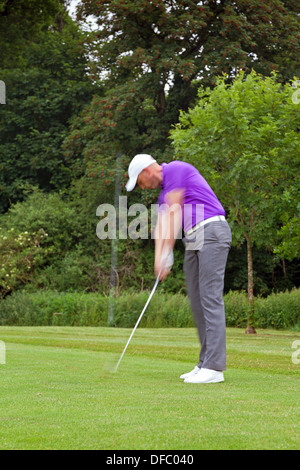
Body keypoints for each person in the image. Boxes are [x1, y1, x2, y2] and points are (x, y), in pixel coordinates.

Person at [126, 154, 232, 384]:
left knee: (210, 298)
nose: (142, 188)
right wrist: (159, 259)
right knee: (196, 299)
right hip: (194, 238)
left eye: (140, 182)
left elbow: (174, 212)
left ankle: (214, 367)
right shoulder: (165, 191)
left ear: (146, 171)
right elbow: (163, 223)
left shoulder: (175, 169)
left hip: (211, 231)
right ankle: (205, 362)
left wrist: (168, 251)